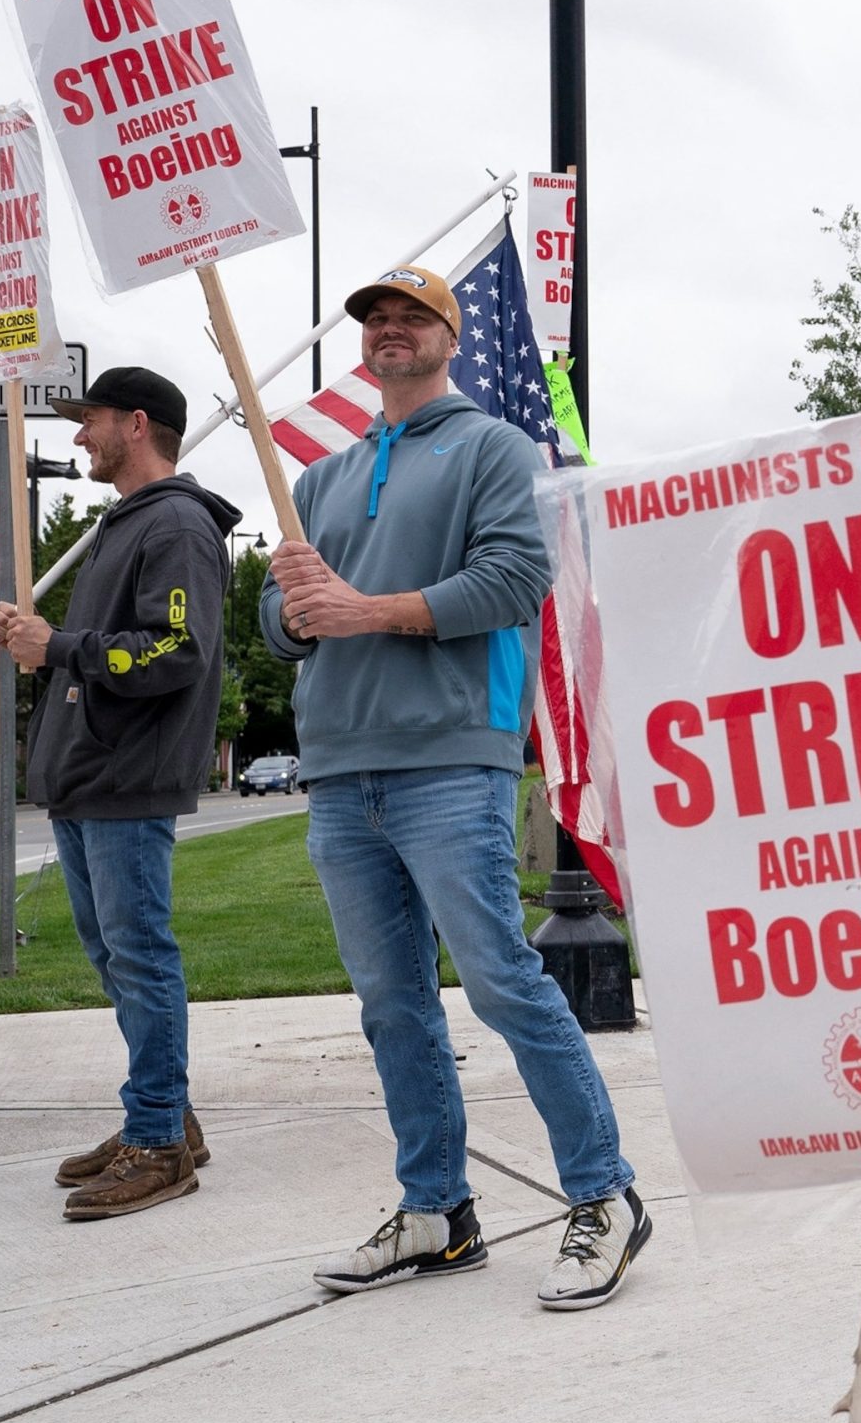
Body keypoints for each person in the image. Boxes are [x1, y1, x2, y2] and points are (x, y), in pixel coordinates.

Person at [262, 265, 650, 1310]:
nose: (391, 330)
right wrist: (295, 613)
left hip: (449, 757)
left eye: (411, 316)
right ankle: (436, 1213)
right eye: (376, 319)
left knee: (502, 984)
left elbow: (516, 578)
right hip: (341, 767)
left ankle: (604, 1196)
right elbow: (280, 619)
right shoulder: (320, 479)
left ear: (450, 333)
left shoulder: (493, 448)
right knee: (391, 1005)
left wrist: (361, 609)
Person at [0, 367, 240, 1220]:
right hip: (91, 776)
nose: (78, 436)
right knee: (116, 959)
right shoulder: (128, 522)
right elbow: (97, 645)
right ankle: (166, 1111)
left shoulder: (174, 522)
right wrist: (35, 640)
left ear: (137, 423)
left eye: (88, 420)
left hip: (127, 774)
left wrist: (60, 645)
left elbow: (176, 650)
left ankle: (159, 1142)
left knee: (139, 956)